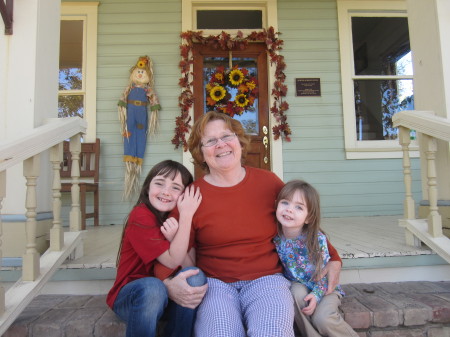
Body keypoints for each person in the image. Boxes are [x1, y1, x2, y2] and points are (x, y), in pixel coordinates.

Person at [162, 110, 343, 337]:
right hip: (215, 284)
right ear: (201, 151)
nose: (221, 145)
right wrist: (166, 283)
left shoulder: (268, 183)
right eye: (210, 141)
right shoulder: (193, 194)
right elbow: (165, 246)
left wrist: (334, 259)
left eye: (227, 136)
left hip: (267, 281)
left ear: (238, 140)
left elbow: (301, 224)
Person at [106, 160, 206, 337]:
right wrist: (187, 215)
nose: (166, 192)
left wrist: (178, 231)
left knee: (195, 276)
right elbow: (171, 260)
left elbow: (189, 265)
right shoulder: (140, 215)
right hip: (134, 298)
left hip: (167, 298)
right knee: (153, 288)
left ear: (184, 196)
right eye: (159, 183)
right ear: (147, 188)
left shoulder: (180, 220)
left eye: (176, 188)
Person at [274, 180, 358, 337]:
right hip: (299, 285)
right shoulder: (276, 238)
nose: (289, 210)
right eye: (285, 203)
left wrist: (317, 294)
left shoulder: (316, 239)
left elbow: (323, 273)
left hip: (324, 287)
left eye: (299, 207)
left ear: (309, 218)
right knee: (295, 293)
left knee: (323, 319)